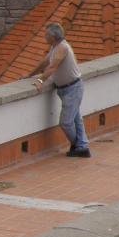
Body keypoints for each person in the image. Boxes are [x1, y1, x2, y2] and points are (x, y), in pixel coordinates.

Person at [29, 22, 90, 158]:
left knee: (66, 122)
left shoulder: (62, 48)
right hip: (67, 89)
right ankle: (82, 146)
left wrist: (40, 81)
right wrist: (29, 75)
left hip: (72, 88)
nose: (44, 37)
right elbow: (44, 63)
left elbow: (52, 67)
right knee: (76, 119)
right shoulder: (55, 47)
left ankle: (78, 146)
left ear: (53, 36)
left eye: (46, 34)